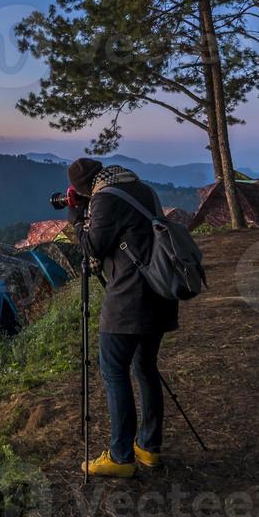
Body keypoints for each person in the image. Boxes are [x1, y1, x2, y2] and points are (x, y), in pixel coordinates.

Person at [66, 157, 179, 478]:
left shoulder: (105, 198)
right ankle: (149, 448)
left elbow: (93, 246)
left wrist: (76, 218)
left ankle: (120, 456)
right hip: (160, 291)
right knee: (145, 368)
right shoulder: (141, 188)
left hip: (131, 298)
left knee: (114, 369)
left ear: (85, 188)